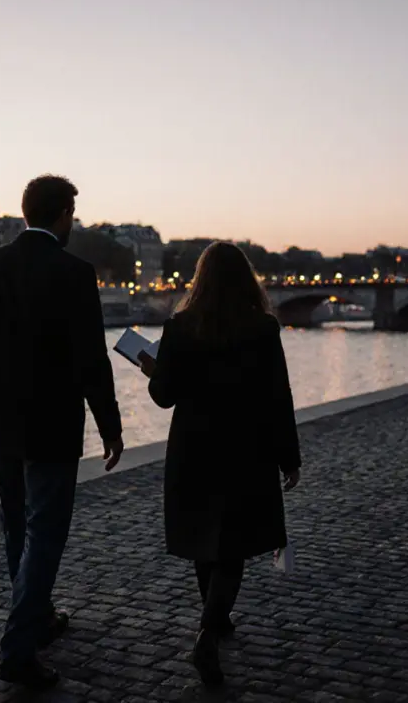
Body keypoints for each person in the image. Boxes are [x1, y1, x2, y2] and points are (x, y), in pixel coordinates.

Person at [0, 175, 124, 690]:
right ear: (64, 214)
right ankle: (18, 650)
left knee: (16, 526)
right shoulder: (75, 272)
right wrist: (110, 425)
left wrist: (2, 362)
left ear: (25, 212)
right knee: (45, 533)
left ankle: (38, 618)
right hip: (51, 421)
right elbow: (93, 359)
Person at [139, 241, 301, 688]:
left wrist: (154, 372)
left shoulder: (180, 326)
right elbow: (278, 396)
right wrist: (289, 456)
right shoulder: (263, 328)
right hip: (246, 448)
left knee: (202, 537)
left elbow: (164, 396)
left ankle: (214, 617)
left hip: (193, 448)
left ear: (200, 278)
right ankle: (211, 629)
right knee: (233, 545)